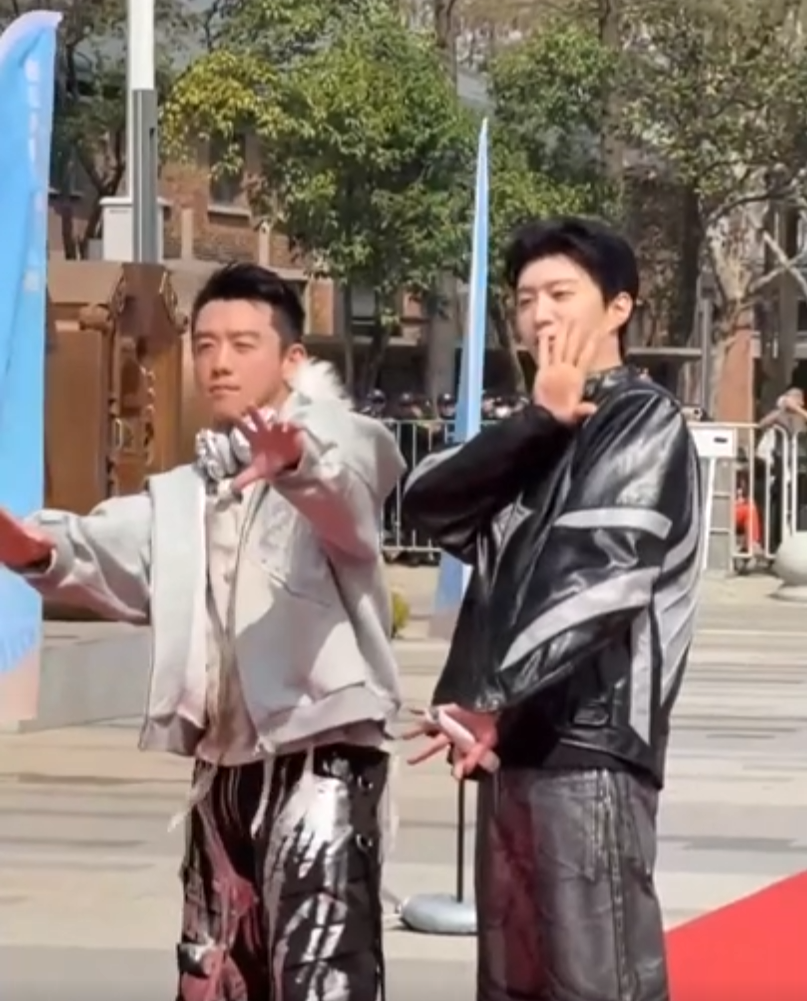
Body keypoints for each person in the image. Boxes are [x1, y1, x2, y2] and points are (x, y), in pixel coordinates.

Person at [0, 262, 405, 1001]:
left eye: (243, 344)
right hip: (222, 771)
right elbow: (112, 549)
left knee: (321, 978)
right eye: (206, 344)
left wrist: (295, 465)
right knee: (212, 974)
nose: (219, 361)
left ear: (291, 358)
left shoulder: (339, 442)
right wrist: (36, 551)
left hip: (321, 763)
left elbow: (348, 497)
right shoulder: (191, 489)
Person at [402, 217, 702, 1001]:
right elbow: (425, 502)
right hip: (511, 750)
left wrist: (492, 695)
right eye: (525, 298)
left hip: (591, 748)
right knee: (513, 980)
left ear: (618, 307)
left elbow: (597, 574)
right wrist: (536, 422)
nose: (540, 314)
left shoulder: (641, 419)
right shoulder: (538, 431)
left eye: (561, 294)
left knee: (594, 979)